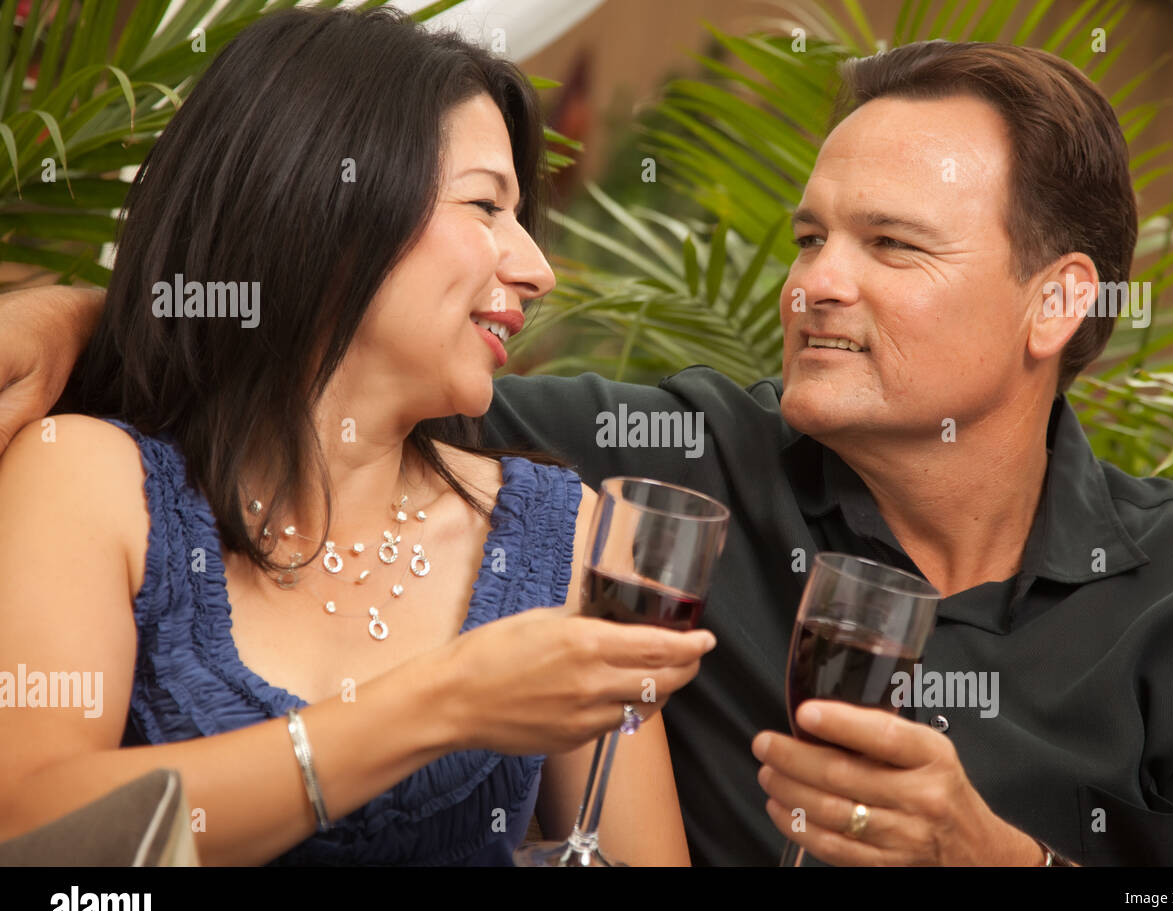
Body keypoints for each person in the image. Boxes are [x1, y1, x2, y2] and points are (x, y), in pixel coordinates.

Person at [5, 39, 1173, 866]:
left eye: (893, 247)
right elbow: (330, 366)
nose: (813, 284)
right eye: (809, 239)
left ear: (1058, 301)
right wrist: (84, 315)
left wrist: (999, 863)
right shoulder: (660, 471)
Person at [0, 7, 716, 866]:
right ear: (326, 207)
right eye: (485, 204)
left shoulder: (568, 542)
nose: (538, 270)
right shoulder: (92, 481)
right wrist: (442, 704)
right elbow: (29, 827)